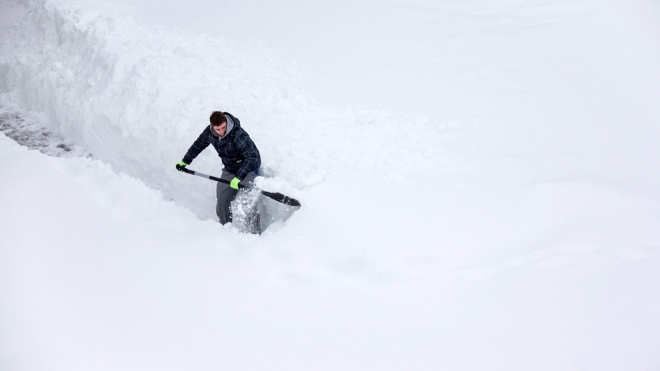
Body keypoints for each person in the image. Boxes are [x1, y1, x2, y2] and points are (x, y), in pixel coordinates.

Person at [176, 111, 261, 234]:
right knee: (222, 201)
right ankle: (226, 231)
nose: (222, 131)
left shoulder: (238, 134)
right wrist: (185, 161)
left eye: (223, 127)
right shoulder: (209, 133)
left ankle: (254, 235)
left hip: (248, 168)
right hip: (230, 168)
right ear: (212, 127)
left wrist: (239, 177)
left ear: (226, 122)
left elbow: (252, 157)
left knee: (246, 203)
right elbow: (198, 145)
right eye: (218, 129)